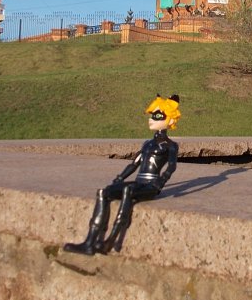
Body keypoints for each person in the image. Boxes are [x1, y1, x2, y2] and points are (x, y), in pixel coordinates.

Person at [64, 94, 181, 256]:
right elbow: (134, 164)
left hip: (150, 186)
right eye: (151, 115)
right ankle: (89, 242)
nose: (151, 119)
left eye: (157, 115)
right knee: (104, 192)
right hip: (139, 183)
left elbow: (171, 167)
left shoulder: (170, 145)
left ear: (169, 119)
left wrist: (160, 183)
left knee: (127, 192)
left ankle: (111, 240)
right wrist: (120, 178)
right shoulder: (147, 144)